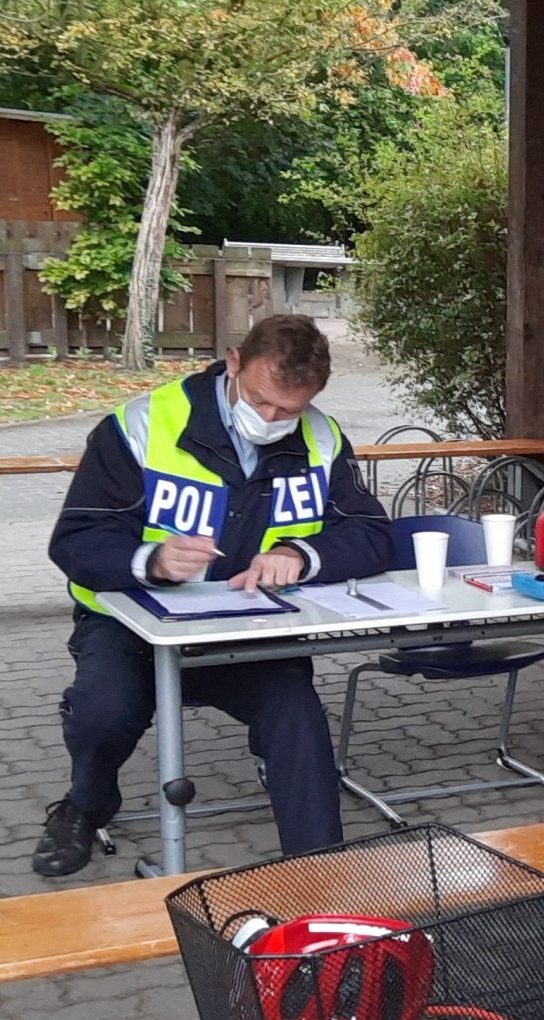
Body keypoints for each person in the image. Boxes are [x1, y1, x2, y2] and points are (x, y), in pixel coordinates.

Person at [31, 314, 391, 876]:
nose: (271, 420)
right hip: (131, 624)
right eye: (260, 400)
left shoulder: (321, 436)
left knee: (295, 712)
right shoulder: (142, 424)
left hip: (243, 626)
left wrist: (301, 554)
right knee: (105, 713)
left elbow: (371, 534)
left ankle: (319, 874)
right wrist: (150, 560)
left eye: (289, 411)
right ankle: (85, 805)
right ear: (233, 363)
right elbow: (76, 538)